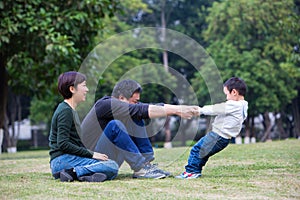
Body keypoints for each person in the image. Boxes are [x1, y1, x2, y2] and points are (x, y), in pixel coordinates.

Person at [81, 79, 199, 179]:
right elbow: (140, 109)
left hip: (110, 162)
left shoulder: (125, 108)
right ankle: (140, 168)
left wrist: (181, 108)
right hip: (94, 164)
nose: (137, 104)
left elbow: (150, 108)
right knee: (116, 125)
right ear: (121, 98)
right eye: (135, 101)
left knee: (137, 115)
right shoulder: (105, 105)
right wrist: (178, 111)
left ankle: (146, 165)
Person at [49, 71, 119, 182]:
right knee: (112, 166)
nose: (86, 90)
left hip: (67, 160)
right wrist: (92, 154)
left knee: (110, 168)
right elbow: (62, 143)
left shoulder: (70, 110)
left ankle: (80, 175)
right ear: (72, 89)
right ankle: (72, 172)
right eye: (84, 86)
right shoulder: (65, 111)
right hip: (62, 160)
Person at [176, 77, 248, 179]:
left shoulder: (233, 105)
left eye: (227, 94)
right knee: (203, 153)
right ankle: (196, 171)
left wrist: (200, 110)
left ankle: (191, 172)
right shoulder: (243, 105)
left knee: (197, 149)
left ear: (234, 92)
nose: (226, 98)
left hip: (218, 136)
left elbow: (216, 109)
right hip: (224, 139)